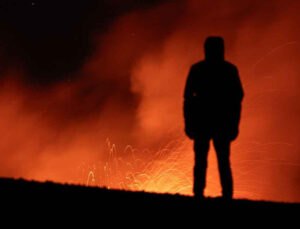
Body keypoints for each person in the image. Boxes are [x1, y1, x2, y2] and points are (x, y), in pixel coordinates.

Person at [183, 36, 244, 199]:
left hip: (205, 122)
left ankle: (200, 194)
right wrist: (234, 124)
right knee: (222, 161)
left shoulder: (198, 69)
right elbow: (237, 99)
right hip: (219, 123)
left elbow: (188, 99)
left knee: (203, 161)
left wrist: (189, 123)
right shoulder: (229, 70)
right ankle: (225, 194)